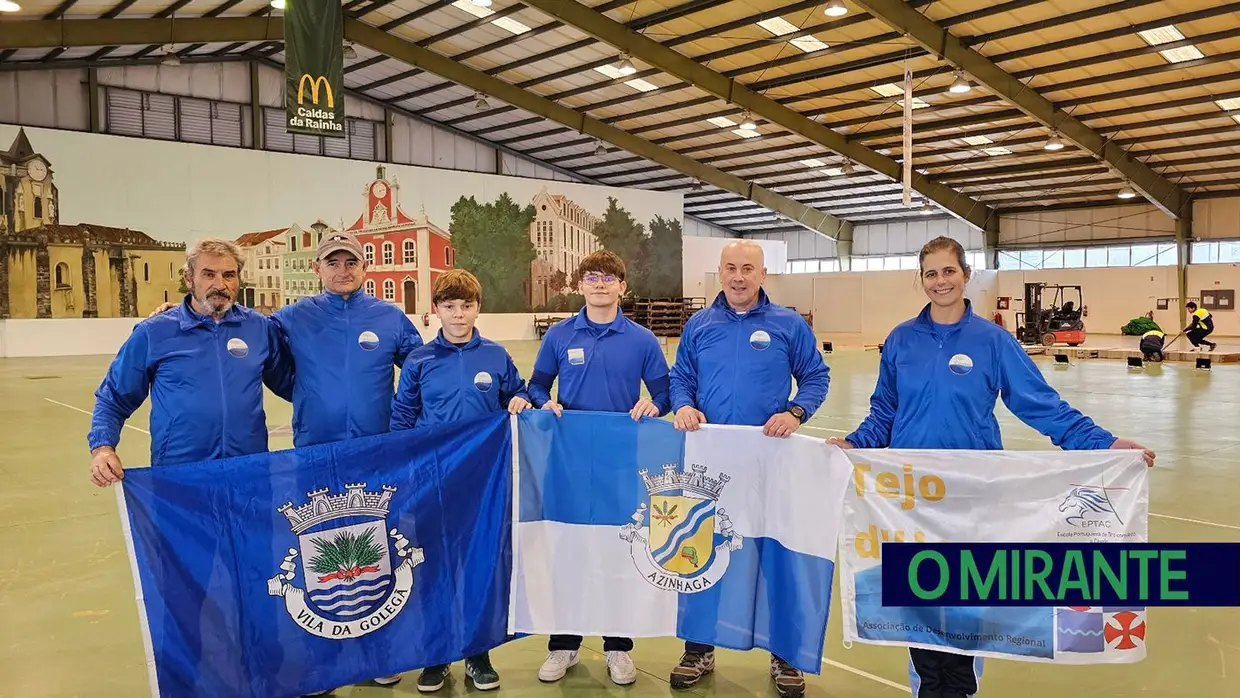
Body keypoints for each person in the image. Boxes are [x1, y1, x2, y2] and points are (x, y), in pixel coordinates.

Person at [830, 236, 1154, 698]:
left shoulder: (993, 341)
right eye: (931, 274)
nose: (940, 282)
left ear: (966, 275)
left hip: (971, 495)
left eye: (948, 271)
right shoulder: (901, 339)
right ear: (921, 281)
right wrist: (853, 444)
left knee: (964, 598)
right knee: (917, 597)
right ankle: (928, 686)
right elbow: (885, 411)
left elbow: (1042, 406)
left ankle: (961, 687)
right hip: (908, 497)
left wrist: (1106, 444)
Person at [667, 239, 830, 698]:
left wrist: (796, 412)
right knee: (701, 551)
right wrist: (682, 405)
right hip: (709, 464)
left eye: (748, 269)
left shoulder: (787, 324)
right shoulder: (699, 325)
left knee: (776, 555)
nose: (739, 276)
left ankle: (785, 654)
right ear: (720, 273)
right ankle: (698, 647)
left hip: (770, 464)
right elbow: (682, 377)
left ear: (762, 275)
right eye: (731, 268)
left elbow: (816, 375)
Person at [526, 250, 672, 686]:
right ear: (581, 285)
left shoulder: (643, 340)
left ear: (622, 287)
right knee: (566, 550)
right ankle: (563, 644)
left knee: (617, 551)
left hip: (619, 466)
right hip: (567, 463)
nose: (600, 283)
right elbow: (536, 385)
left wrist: (655, 404)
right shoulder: (558, 335)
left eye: (609, 277)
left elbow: (664, 394)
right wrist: (543, 402)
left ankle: (618, 647)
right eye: (592, 277)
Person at [389, 268, 530, 693]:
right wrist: (403, 472)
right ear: (435, 311)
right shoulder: (419, 361)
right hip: (430, 483)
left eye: (466, 306)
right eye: (449, 306)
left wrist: (523, 398)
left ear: (477, 308)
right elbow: (402, 418)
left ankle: (476, 653)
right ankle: (435, 657)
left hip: (482, 484)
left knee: (476, 566)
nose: (458, 314)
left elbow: (518, 395)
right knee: (431, 565)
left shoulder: (496, 355)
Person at [88, 238, 293, 486]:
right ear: (189, 279)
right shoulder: (154, 332)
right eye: (208, 274)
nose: (220, 284)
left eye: (229, 275)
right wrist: (102, 448)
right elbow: (113, 398)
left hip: (248, 473)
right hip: (180, 478)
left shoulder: (259, 328)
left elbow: (292, 384)